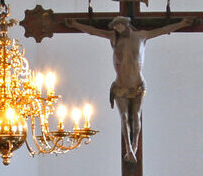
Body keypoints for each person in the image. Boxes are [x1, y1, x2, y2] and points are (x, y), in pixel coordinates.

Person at [66, 15, 193, 164]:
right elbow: (94, 31)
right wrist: (75, 24)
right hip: (120, 86)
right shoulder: (113, 37)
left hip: (138, 85)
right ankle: (129, 149)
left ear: (126, 24)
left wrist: (182, 23)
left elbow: (163, 30)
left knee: (136, 116)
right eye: (115, 27)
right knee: (124, 117)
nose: (117, 29)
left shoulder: (141, 36)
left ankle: (135, 146)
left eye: (118, 26)